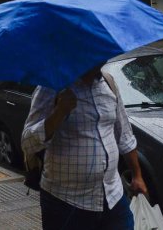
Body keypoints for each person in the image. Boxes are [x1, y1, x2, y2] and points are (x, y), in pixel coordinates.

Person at [22, 64, 147, 230]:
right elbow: (27, 142)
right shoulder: (50, 88)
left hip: (112, 196)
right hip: (65, 202)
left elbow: (124, 135)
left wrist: (137, 175)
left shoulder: (109, 83)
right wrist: (59, 112)